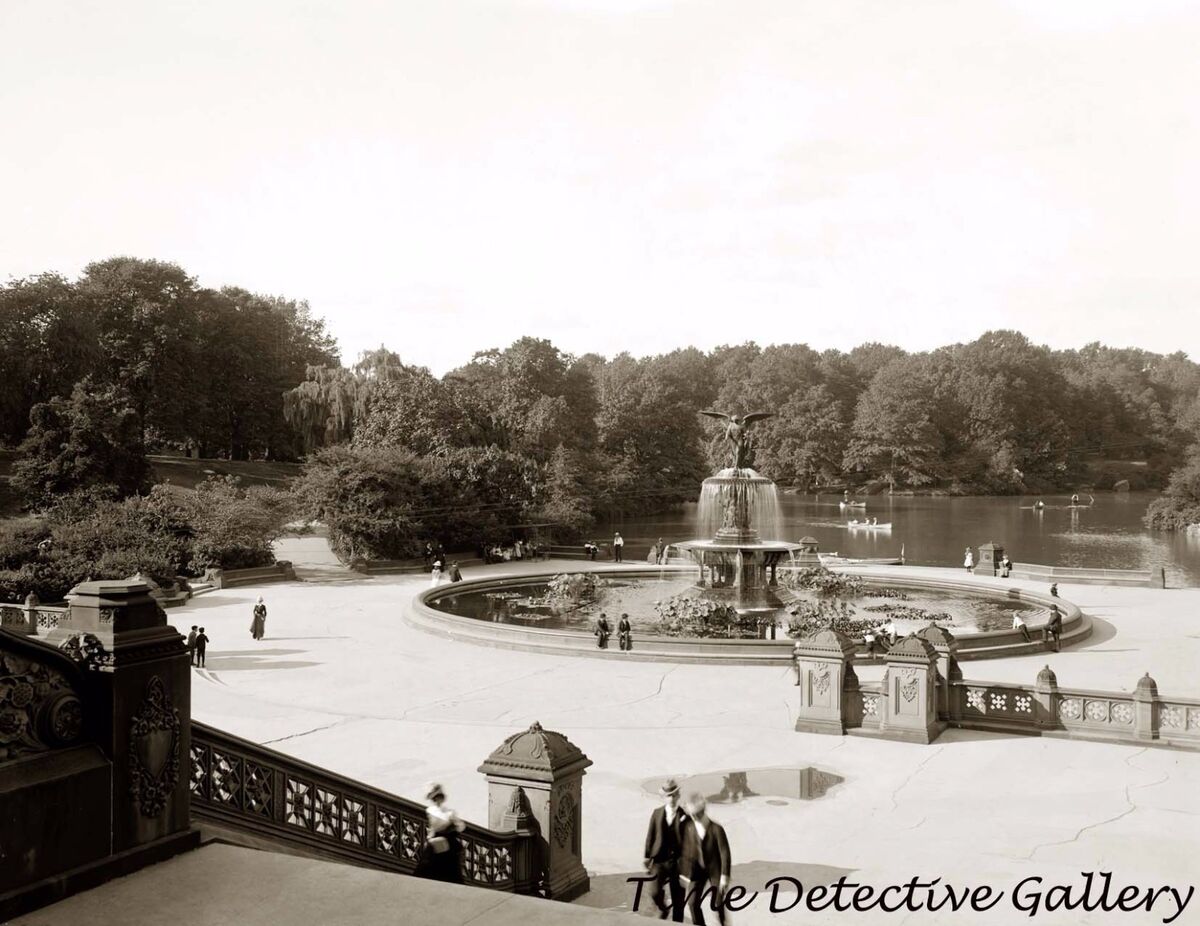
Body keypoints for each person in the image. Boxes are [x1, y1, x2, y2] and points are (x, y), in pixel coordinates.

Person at [681, 793, 732, 926]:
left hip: (715, 871)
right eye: (691, 813)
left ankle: (724, 924)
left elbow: (725, 853)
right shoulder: (690, 828)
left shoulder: (716, 829)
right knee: (692, 903)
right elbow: (687, 852)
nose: (692, 816)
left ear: (702, 811)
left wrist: (724, 876)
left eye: (695, 813)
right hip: (697, 872)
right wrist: (685, 874)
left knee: (718, 904)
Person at [643, 778, 688, 922]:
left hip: (678, 863)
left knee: (678, 900)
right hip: (659, 861)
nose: (672, 798)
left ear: (679, 796)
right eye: (669, 795)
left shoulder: (685, 817)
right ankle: (663, 909)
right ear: (664, 797)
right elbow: (651, 834)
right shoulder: (657, 813)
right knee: (654, 892)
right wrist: (647, 856)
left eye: (675, 795)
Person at [414, 782, 465, 883]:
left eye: (437, 798)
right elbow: (433, 828)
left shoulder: (449, 812)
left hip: (446, 841)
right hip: (437, 841)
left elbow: (461, 826)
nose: (436, 800)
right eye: (434, 798)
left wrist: (451, 829)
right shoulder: (431, 811)